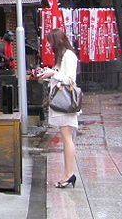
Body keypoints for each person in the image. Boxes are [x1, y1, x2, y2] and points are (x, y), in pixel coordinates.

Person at [41, 28, 79, 189]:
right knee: (66, 138)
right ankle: (67, 173)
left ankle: (69, 174)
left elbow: (70, 79)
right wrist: (49, 72)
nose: (50, 46)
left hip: (65, 102)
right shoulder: (63, 55)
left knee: (67, 138)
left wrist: (52, 74)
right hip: (62, 101)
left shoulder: (69, 56)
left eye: (51, 43)